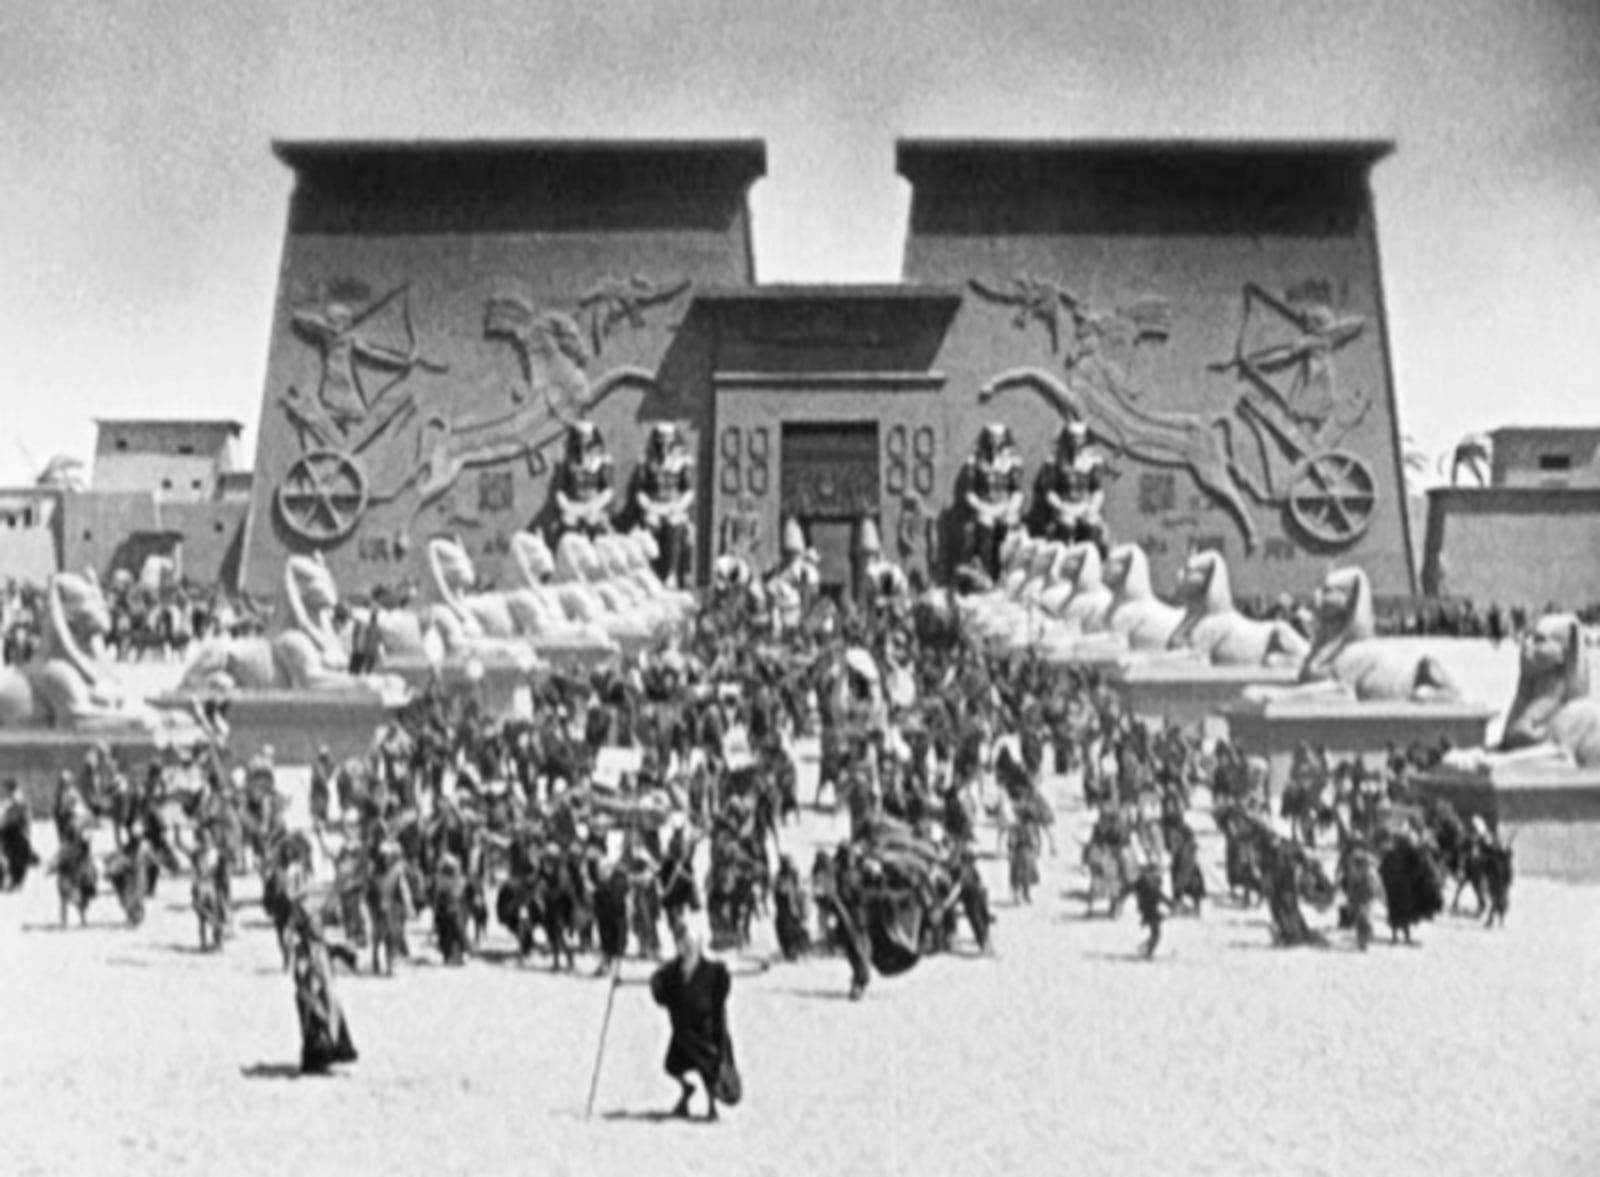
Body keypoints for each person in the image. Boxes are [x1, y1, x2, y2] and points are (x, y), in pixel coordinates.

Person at [650, 913, 735, 1121]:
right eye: (682, 944)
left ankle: (711, 1107)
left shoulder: (711, 972)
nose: (686, 948)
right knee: (672, 1066)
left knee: (708, 1069)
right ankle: (687, 1090)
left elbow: (719, 997)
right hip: (682, 1031)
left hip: (704, 1030)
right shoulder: (673, 971)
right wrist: (654, 982)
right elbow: (662, 995)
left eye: (689, 944)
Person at [289, 900, 359, 1075]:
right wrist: (307, 981)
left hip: (325, 991)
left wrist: (348, 954)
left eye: (319, 924)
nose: (319, 928)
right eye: (315, 925)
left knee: (333, 1021)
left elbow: (335, 950)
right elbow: (300, 971)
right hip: (311, 994)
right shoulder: (303, 948)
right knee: (315, 1027)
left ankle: (332, 1054)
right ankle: (313, 1061)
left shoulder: (321, 945)